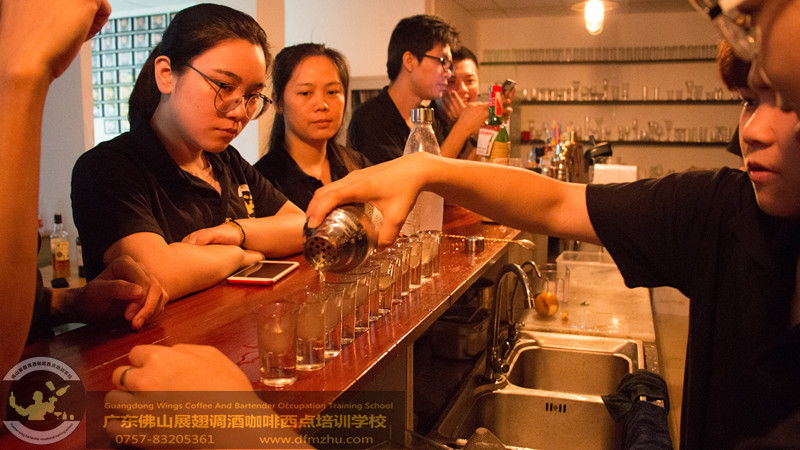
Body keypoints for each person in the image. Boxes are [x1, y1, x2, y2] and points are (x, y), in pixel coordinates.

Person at [306, 41, 800, 450]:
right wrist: (426, 168)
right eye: (749, 101)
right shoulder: (720, 210)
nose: (753, 131)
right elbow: (557, 203)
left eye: (790, 102)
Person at [71, 4, 306, 301]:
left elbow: (301, 225)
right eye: (224, 86)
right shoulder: (108, 167)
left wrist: (238, 231)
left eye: (251, 96)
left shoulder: (225, 161)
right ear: (166, 74)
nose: (239, 112)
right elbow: (154, 275)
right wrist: (241, 256)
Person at [346, 14, 486, 164]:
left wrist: (474, 133)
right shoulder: (371, 118)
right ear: (410, 61)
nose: (449, 73)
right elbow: (410, 178)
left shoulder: (427, 118)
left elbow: (456, 171)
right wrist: (462, 128)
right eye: (443, 61)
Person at [253, 43, 371, 211]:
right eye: (306, 93)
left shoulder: (357, 165)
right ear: (278, 102)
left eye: (332, 92)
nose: (322, 105)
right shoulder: (263, 183)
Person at [435, 46, 515, 160]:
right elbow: (435, 169)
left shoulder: (479, 119)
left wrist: (484, 129)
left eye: (470, 81)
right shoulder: (427, 122)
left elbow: (474, 167)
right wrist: (464, 125)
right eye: (452, 81)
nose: (463, 89)